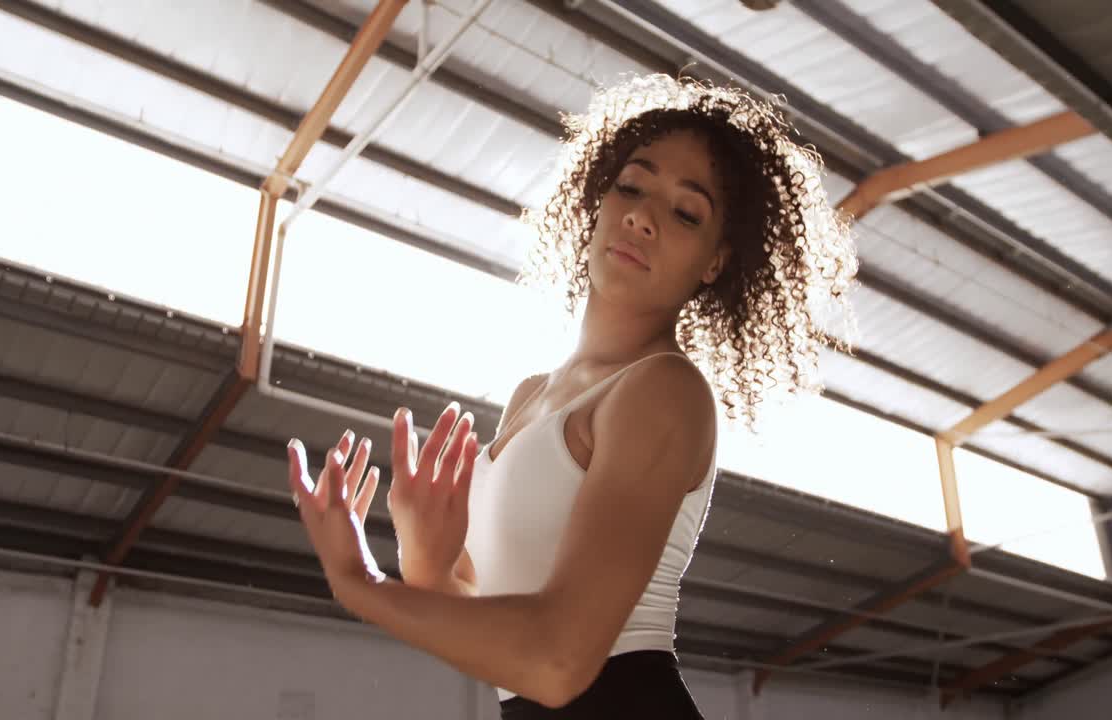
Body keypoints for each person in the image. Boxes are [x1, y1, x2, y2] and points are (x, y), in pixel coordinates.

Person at [285, 73, 857, 718]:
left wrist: (358, 584)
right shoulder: (531, 396)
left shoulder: (663, 390)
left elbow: (556, 664)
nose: (642, 215)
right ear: (597, 204)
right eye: (632, 186)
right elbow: (478, 612)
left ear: (715, 263)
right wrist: (422, 555)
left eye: (685, 212)